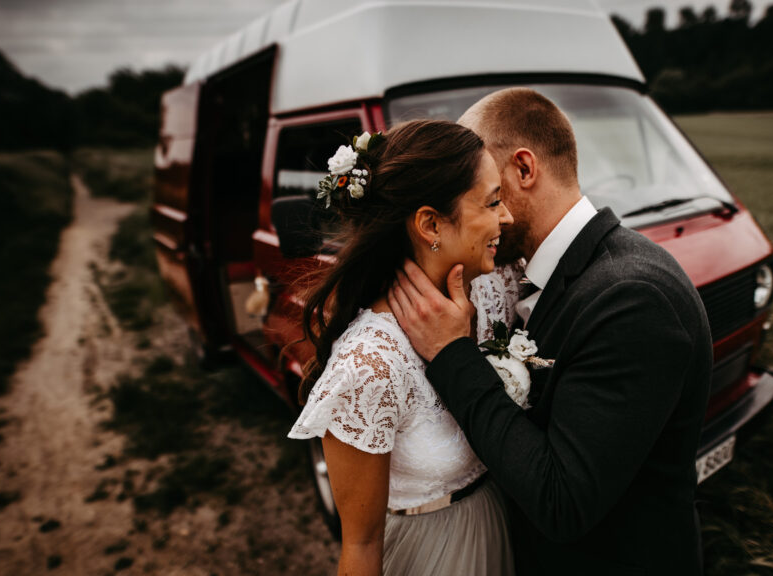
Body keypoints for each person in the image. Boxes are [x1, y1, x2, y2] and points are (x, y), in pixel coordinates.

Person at [388, 88, 713, 575]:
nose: (476, 204)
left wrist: (453, 354)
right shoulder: (546, 274)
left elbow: (562, 502)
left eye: (481, 185)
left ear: (523, 169)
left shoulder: (632, 300)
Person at [287, 119, 518, 576]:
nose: (507, 217)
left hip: (508, 525)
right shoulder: (369, 366)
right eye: (493, 203)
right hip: (434, 556)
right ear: (430, 223)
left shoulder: (497, 290)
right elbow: (362, 544)